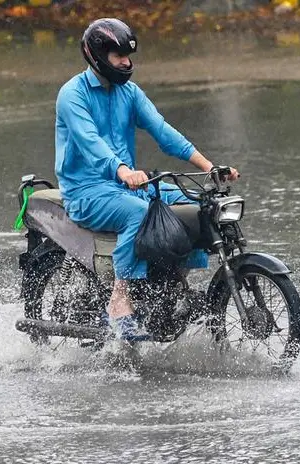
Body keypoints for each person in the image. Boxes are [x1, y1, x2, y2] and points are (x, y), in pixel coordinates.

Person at [55, 18, 239, 341]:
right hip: (87, 192)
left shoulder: (130, 93)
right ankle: (119, 299)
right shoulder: (72, 95)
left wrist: (209, 166)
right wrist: (123, 170)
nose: (127, 62)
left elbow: (163, 132)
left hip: (125, 185)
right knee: (138, 214)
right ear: (97, 56)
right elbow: (91, 143)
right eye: (119, 56)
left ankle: (172, 282)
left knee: (193, 203)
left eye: (129, 55)